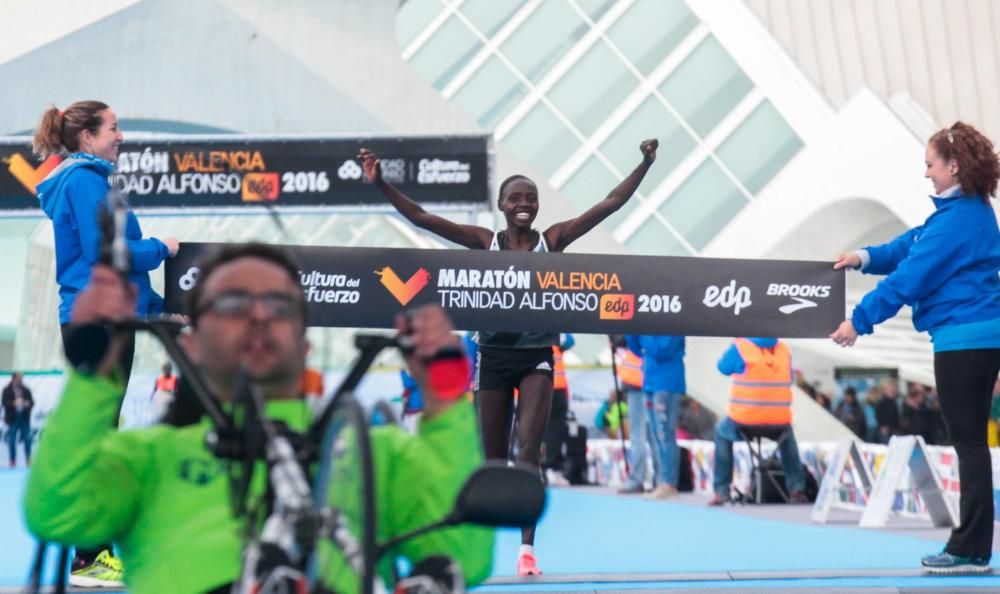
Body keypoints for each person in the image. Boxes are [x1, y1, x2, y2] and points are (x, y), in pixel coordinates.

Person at [24, 243, 494, 594]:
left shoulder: (376, 454)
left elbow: (464, 558)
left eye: (280, 306)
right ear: (190, 342)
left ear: (305, 345)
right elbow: (58, 513)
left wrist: (447, 398)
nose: (258, 317)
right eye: (232, 304)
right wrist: (94, 376)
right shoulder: (151, 457)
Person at [360, 138, 658, 576]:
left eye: (531, 199)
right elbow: (422, 218)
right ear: (501, 204)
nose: (524, 204)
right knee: (491, 459)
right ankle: (469, 545)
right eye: (516, 198)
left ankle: (527, 550)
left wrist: (645, 163)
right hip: (493, 358)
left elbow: (609, 204)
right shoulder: (485, 241)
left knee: (528, 451)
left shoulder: (552, 240)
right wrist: (382, 183)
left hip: (537, 355)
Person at [830, 121, 1000, 574]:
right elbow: (911, 245)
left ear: (954, 165)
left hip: (963, 341)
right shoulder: (964, 212)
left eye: (930, 165)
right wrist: (862, 258)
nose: (926, 173)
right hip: (978, 336)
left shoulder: (959, 220)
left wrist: (857, 321)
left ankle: (970, 549)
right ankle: (973, 546)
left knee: (968, 445)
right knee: (971, 444)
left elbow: (910, 278)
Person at [33, 100, 180, 583]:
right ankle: (88, 556)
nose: (121, 135)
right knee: (98, 437)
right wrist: (162, 249)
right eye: (114, 128)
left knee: (103, 432)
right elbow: (108, 253)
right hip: (97, 320)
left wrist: (158, 309)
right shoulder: (83, 180)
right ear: (87, 137)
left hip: (110, 316)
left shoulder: (92, 180)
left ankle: (90, 551)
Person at [709, 337, 808, 506]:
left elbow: (722, 367)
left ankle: (721, 490)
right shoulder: (784, 349)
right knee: (788, 438)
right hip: (779, 422)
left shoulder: (741, 346)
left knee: (721, 431)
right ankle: (797, 489)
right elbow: (790, 379)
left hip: (744, 420)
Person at [624, 335, 686, 500]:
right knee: (656, 434)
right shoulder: (648, 331)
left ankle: (668, 483)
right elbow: (636, 349)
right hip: (650, 381)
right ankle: (662, 482)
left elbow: (662, 350)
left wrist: (643, 334)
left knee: (665, 434)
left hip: (667, 383)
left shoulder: (671, 321)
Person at [614, 339, 650, 495]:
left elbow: (628, 339)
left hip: (637, 381)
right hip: (643, 380)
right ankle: (659, 480)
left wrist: (616, 339)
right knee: (648, 433)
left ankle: (637, 478)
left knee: (637, 434)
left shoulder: (636, 326)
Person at [542, 333, 575, 487]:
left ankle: (552, 467)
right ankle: (545, 467)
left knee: (555, 430)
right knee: (542, 429)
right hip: (542, 384)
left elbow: (569, 341)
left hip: (557, 386)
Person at [2, 372, 34, 467]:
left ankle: (28, 460)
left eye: (21, 378)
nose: (20, 380)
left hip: (24, 417)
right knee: (12, 440)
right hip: (13, 418)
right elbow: (4, 403)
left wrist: (28, 403)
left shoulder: (26, 390)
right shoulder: (7, 390)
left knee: (27, 440)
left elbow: (32, 402)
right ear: (13, 379)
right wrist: (13, 403)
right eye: (19, 378)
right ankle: (12, 461)